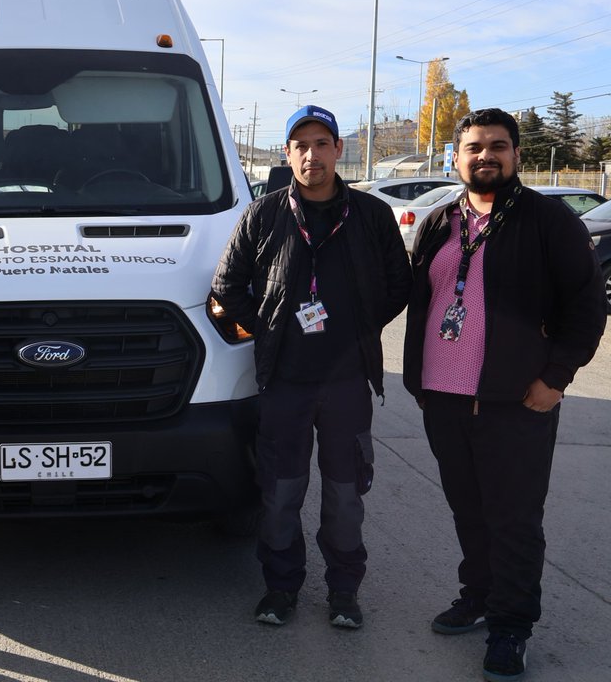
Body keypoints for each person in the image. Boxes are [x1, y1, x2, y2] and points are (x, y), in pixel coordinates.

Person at [403, 108, 605, 681]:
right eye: (473, 147)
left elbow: (587, 305)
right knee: (468, 510)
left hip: (516, 401)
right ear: (457, 156)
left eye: (497, 145)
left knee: (514, 518)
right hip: (443, 397)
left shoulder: (548, 220)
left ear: (516, 154)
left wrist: (556, 378)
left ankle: (512, 625)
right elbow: (422, 299)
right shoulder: (440, 222)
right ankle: (479, 598)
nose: (484, 155)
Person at [212, 105, 410, 629]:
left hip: (347, 382)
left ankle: (344, 591)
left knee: (346, 495)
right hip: (285, 382)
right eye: (301, 145)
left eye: (322, 143)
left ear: (338, 150)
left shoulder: (371, 215)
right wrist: (269, 327)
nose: (311, 154)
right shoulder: (262, 214)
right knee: (280, 493)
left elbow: (399, 285)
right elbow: (225, 288)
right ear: (287, 154)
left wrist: (360, 329)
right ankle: (281, 589)